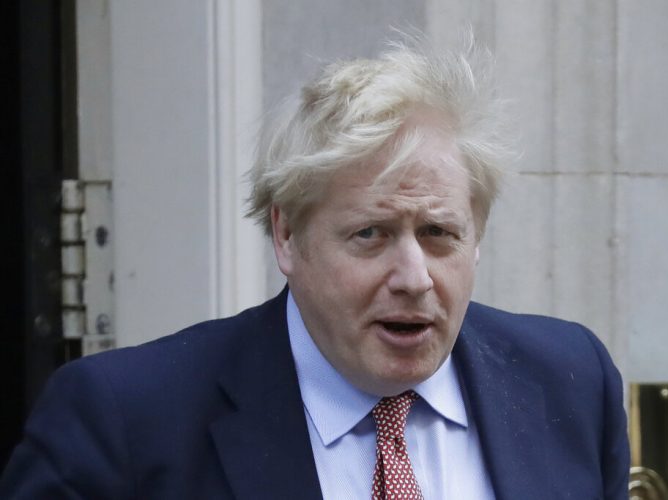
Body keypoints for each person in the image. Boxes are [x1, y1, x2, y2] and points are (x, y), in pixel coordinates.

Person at [1, 36, 630, 499]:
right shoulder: (125, 421)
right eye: (370, 234)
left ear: (477, 237)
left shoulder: (570, 380)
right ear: (286, 234)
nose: (414, 277)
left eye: (438, 233)